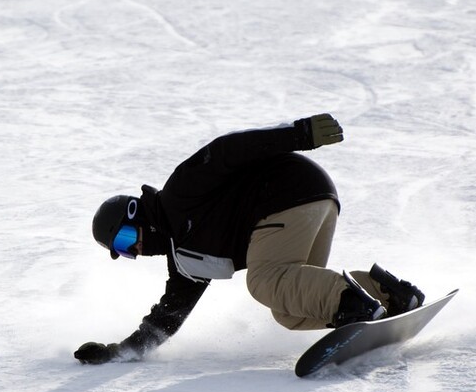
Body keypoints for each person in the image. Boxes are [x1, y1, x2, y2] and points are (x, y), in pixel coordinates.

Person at [74, 114, 425, 364]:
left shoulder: (180, 193)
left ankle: (354, 306)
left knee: (264, 281)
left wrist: (300, 135)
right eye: (123, 251)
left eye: (123, 238)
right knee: (289, 310)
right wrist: (119, 351)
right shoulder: (184, 261)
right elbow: (169, 315)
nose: (133, 249)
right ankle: (389, 296)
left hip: (287, 193)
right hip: (315, 201)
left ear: (136, 213)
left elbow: (229, 150)